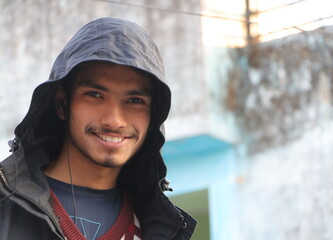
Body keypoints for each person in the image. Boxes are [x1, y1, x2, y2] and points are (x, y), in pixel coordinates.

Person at [0, 17, 196, 240]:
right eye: (95, 95)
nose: (114, 120)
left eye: (134, 100)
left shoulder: (161, 228)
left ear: (153, 115)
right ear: (62, 102)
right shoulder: (6, 209)